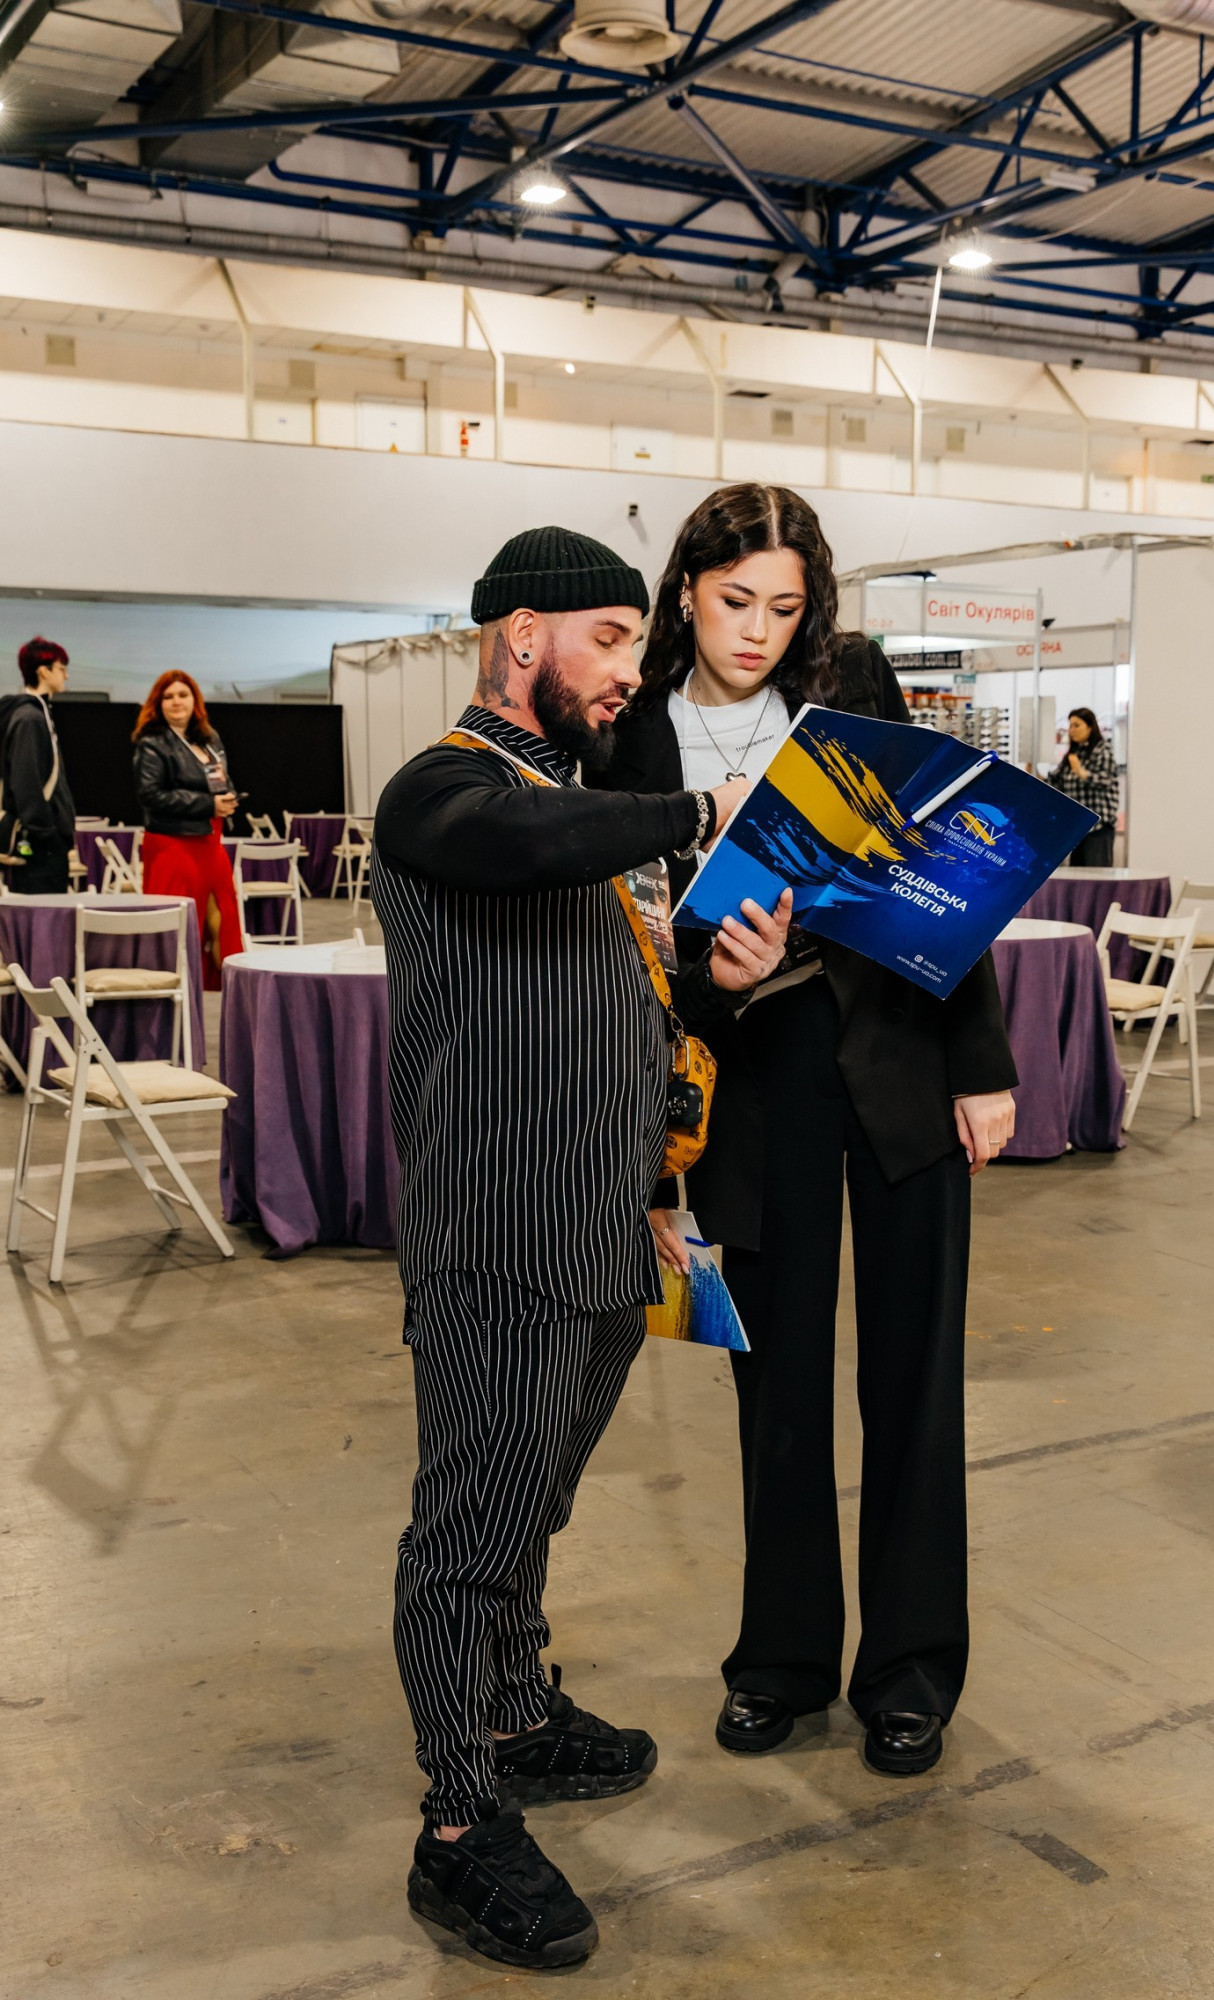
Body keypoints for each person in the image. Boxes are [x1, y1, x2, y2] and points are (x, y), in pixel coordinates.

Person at [371, 525, 787, 1972]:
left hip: (608, 1225)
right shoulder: (445, 790)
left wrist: (718, 979)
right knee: (468, 1533)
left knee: (530, 1503)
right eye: (606, 640)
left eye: (634, 646)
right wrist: (698, 808)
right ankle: (456, 1822)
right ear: (519, 636)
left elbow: (638, 1000)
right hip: (496, 1230)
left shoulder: (588, 819)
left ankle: (511, 1709)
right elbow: (518, 845)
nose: (626, 671)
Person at [589, 483, 1018, 1781]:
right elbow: (623, 949)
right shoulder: (635, 733)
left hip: (897, 1061)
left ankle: (909, 1670)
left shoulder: (853, 684)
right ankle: (778, 1660)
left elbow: (938, 881)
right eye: (734, 601)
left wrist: (982, 1064)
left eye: (782, 607)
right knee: (774, 1381)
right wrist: (711, 980)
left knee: (912, 1376)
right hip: (750, 1081)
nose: (756, 630)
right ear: (685, 590)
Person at [131, 671, 243, 987]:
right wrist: (208, 804)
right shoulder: (152, 742)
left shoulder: (209, 739)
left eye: (183, 695)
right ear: (158, 704)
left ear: (195, 700)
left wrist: (229, 798)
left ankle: (233, 995)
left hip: (211, 842)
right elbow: (150, 795)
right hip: (173, 845)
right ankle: (173, 995)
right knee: (176, 927)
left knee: (224, 921)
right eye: (168, 697)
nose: (176, 702)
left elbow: (223, 780)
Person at [0, 637, 76, 893]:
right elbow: (26, 781)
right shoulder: (30, 718)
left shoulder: (38, 713)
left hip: (43, 843)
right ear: (43, 671)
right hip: (39, 845)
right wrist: (46, 832)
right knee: (43, 913)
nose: (66, 675)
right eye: (61, 668)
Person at [1047, 706, 1118, 866]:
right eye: (1070, 726)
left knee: (1097, 876)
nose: (1071, 730)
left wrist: (1081, 772)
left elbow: (1106, 780)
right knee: (1077, 876)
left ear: (1090, 726)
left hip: (1099, 828)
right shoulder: (1072, 754)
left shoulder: (1102, 750)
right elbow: (1057, 783)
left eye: (1076, 725)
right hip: (1077, 828)